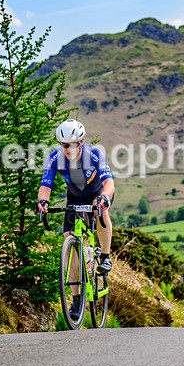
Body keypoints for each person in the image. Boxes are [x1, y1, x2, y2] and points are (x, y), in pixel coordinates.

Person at [37, 119, 115, 321]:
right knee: (68, 240)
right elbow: (45, 186)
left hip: (98, 194)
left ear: (81, 142)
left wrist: (104, 197)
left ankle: (105, 256)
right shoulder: (54, 158)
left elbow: (109, 182)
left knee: (100, 212)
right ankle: (76, 299)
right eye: (65, 145)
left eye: (73, 145)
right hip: (74, 198)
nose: (69, 150)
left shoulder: (94, 154)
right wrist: (43, 202)